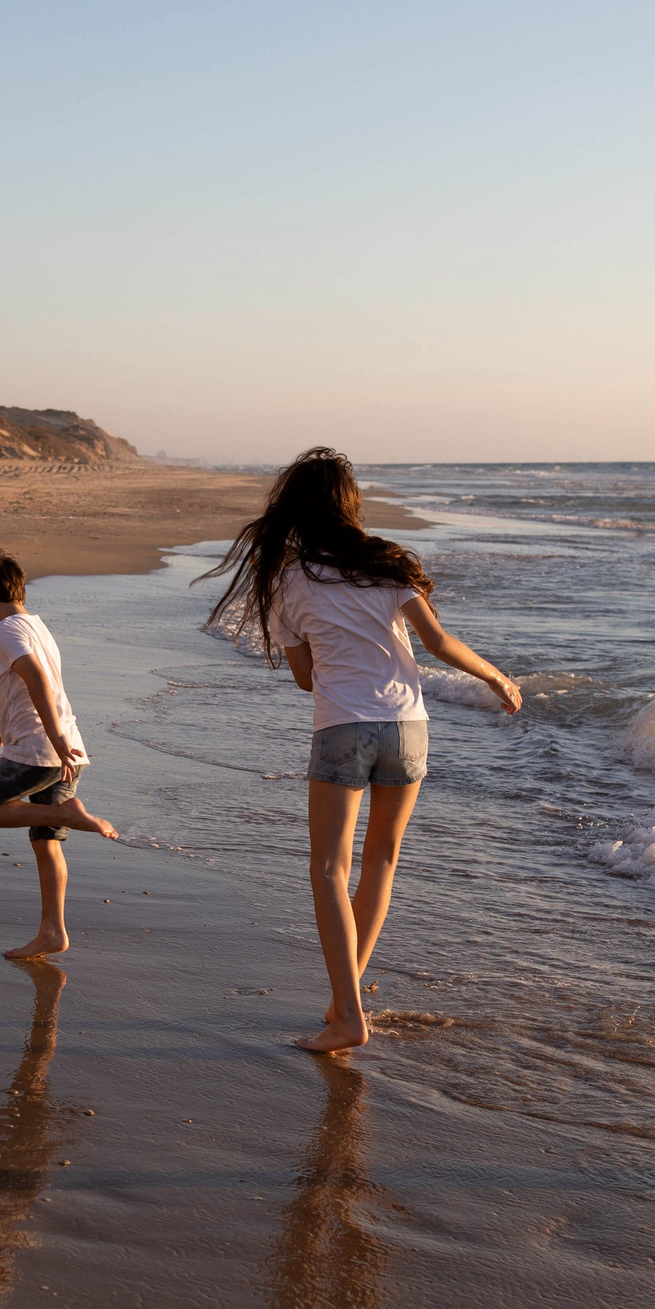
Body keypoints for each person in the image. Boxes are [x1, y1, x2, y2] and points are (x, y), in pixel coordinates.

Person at [202, 448, 522, 1054]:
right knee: (382, 862)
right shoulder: (387, 564)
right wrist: (497, 679)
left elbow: (306, 679)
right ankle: (343, 1000)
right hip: (408, 727)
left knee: (329, 868)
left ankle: (348, 1014)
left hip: (343, 726)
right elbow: (438, 642)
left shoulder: (286, 581)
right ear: (349, 504)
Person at [0, 550, 118, 960]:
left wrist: (53, 738)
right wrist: (1, 725)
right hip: (68, 750)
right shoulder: (35, 626)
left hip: (39, 751)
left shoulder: (2, 632)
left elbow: (36, 677)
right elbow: (29, 689)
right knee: (47, 842)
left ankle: (67, 814)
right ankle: (53, 932)